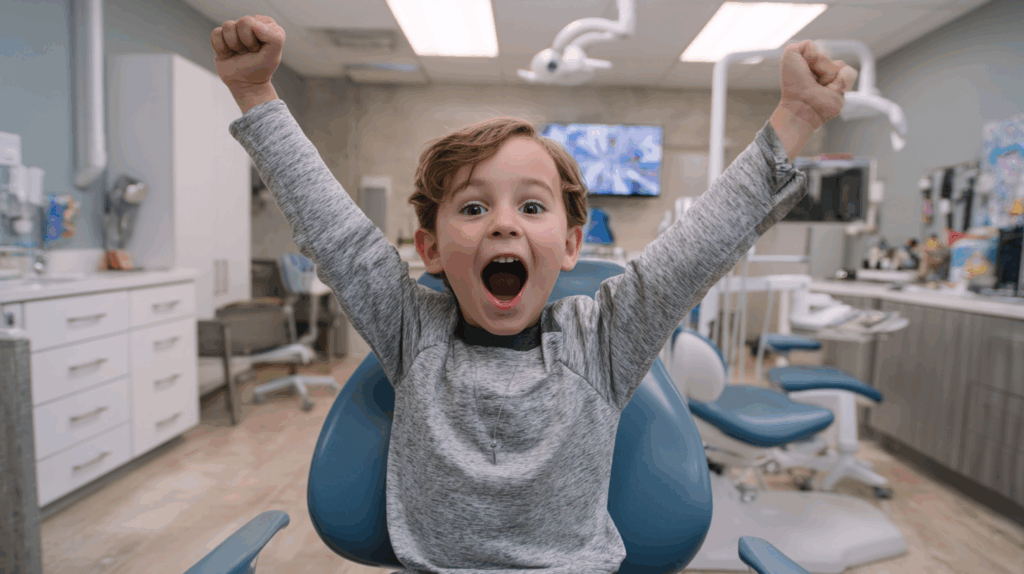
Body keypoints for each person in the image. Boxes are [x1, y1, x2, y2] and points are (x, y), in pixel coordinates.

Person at [211, 15, 857, 574]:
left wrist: (796, 118)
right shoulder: (412, 329)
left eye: (530, 205)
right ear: (430, 250)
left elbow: (698, 247)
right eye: (471, 206)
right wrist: (254, 91)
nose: (503, 222)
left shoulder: (602, 339)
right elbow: (335, 234)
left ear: (571, 246)